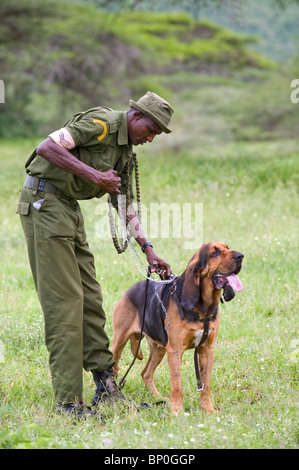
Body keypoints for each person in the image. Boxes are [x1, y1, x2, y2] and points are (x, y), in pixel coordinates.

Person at [17, 91, 174, 418]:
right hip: (44, 203)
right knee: (66, 302)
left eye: (157, 133)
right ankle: (68, 403)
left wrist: (148, 249)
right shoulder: (101, 123)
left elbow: (125, 203)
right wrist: (94, 176)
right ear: (136, 116)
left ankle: (106, 387)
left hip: (67, 209)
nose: (151, 137)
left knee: (90, 297)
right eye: (151, 129)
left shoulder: (125, 151)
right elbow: (47, 147)